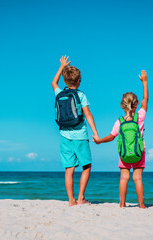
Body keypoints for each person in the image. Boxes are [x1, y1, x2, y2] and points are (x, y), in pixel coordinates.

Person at [93, 70, 149, 208]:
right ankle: (141, 205)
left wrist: (99, 140)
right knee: (137, 178)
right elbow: (146, 100)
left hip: (124, 154)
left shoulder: (119, 122)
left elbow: (111, 137)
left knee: (124, 178)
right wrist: (144, 82)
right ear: (136, 105)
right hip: (139, 152)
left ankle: (122, 204)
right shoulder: (140, 116)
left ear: (122, 106)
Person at [52, 55, 99, 206]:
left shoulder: (59, 93)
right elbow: (88, 114)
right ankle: (81, 198)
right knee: (86, 166)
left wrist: (61, 66)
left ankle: (71, 200)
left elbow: (53, 82)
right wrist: (95, 133)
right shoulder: (81, 95)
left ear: (65, 81)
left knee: (69, 169)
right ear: (79, 81)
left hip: (64, 135)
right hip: (80, 135)